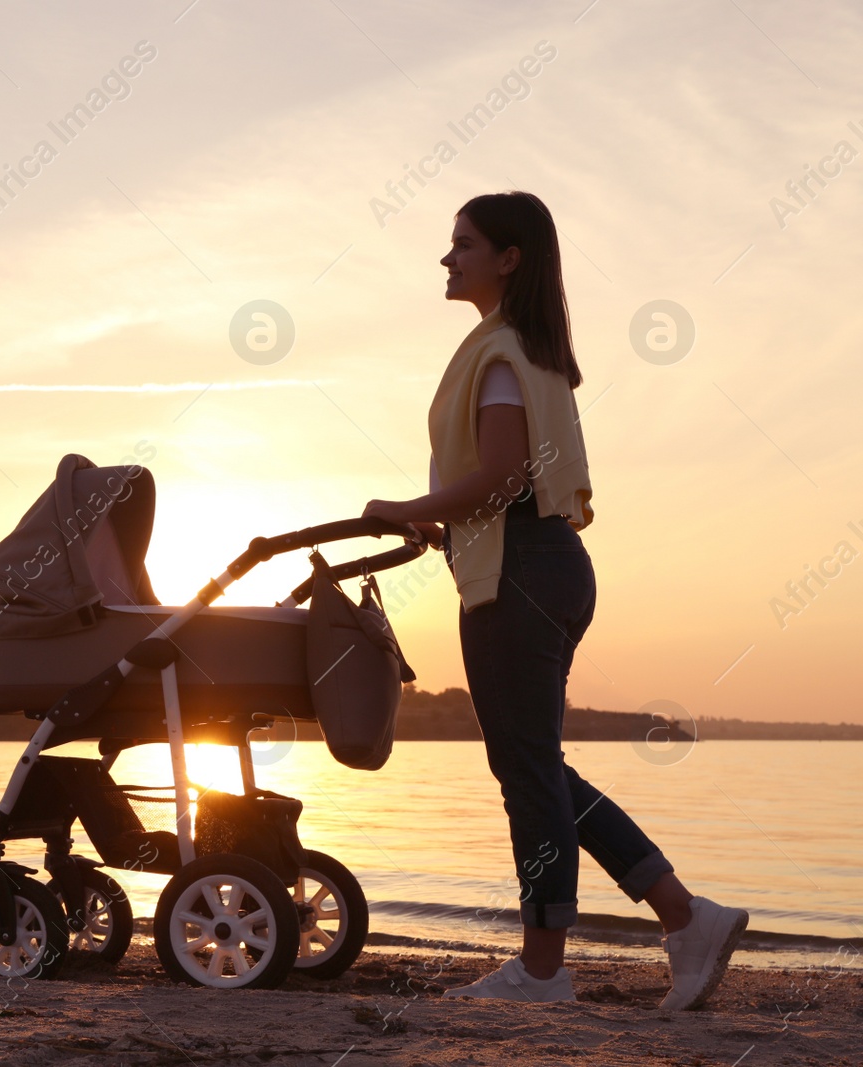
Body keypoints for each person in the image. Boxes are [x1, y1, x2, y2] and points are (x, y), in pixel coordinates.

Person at [361, 191, 747, 1007]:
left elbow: (503, 477)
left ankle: (542, 969)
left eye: (463, 243)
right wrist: (446, 527)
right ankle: (685, 916)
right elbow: (515, 480)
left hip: (523, 573)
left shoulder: (500, 353)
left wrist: (406, 510)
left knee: (527, 770)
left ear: (510, 258)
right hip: (548, 564)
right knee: (535, 764)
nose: (447, 256)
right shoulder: (530, 352)